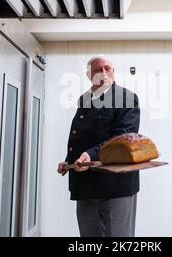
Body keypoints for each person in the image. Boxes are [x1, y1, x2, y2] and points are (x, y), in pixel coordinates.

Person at [57, 55, 140, 237]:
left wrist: (90, 155)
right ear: (89, 75)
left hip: (115, 187)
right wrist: (69, 161)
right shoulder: (85, 99)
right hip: (85, 185)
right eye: (97, 69)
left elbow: (122, 139)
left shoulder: (126, 98)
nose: (103, 73)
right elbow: (82, 135)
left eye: (107, 68)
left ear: (113, 72)